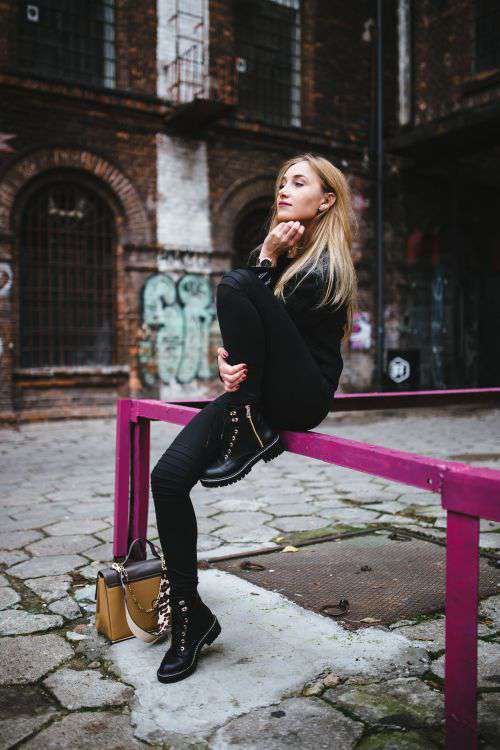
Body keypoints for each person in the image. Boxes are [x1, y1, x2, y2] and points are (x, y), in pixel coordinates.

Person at [150, 152, 358, 683]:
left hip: (299, 397)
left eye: (298, 182)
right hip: (256, 400)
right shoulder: (278, 261)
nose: (283, 190)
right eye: (280, 181)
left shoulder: (325, 268)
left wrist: (264, 260)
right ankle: (191, 618)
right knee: (167, 478)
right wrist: (228, 364)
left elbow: (264, 318)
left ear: (326, 199)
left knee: (237, 282)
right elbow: (252, 337)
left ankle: (250, 431)